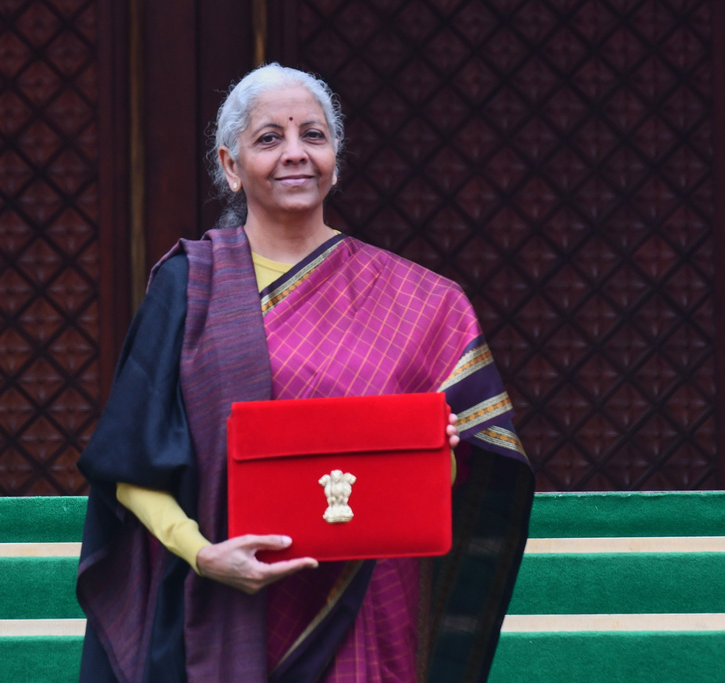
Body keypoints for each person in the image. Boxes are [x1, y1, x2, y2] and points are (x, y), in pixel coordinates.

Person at [76, 63, 534, 683]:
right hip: (228, 607)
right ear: (231, 165)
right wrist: (203, 554)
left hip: (366, 606)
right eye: (269, 138)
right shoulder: (190, 286)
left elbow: (465, 469)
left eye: (313, 135)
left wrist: (438, 455)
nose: (295, 153)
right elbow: (127, 459)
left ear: (336, 158)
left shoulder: (422, 303)